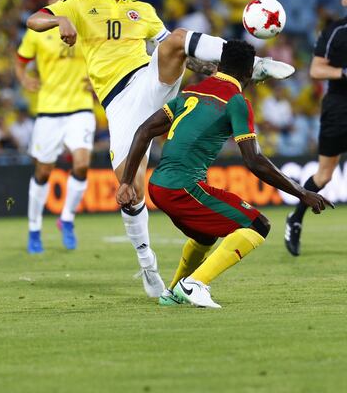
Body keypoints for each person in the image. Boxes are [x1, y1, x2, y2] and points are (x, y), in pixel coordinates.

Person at [26, 0, 293, 297]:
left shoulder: (144, 10)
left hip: (148, 80)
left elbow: (179, 51)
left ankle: (253, 63)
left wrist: (214, 66)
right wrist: (60, 19)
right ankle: (147, 264)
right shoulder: (79, 4)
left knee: (178, 39)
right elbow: (33, 19)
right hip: (119, 103)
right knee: (130, 192)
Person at [116, 37, 331, 308]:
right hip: (182, 187)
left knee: (205, 235)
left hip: (158, 185)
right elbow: (254, 161)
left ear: (220, 65)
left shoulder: (192, 91)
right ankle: (194, 284)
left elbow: (144, 130)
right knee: (257, 225)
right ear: (248, 73)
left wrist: (126, 182)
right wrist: (301, 192)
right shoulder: (236, 101)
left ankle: (172, 293)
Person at [16, 0, 96, 254]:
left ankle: (67, 219)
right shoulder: (38, 31)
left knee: (83, 163)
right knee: (43, 171)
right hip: (49, 110)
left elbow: (102, 60)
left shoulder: (85, 28)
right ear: (50, 2)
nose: (62, 1)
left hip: (80, 108)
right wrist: (22, 78)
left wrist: (96, 83)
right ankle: (34, 228)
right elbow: (21, 59)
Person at [285, 0, 347, 256]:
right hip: (339, 106)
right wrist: (344, 73)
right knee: (324, 174)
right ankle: (295, 218)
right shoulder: (335, 31)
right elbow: (316, 69)